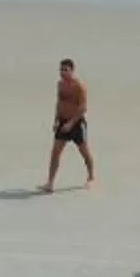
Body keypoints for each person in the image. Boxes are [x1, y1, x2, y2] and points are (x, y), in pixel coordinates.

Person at [43, 57, 95, 192]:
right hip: (63, 122)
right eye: (61, 70)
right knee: (55, 153)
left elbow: (83, 108)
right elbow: (59, 103)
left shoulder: (79, 87)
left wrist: (71, 124)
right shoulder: (60, 84)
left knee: (84, 152)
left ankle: (91, 177)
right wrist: (56, 120)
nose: (62, 72)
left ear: (72, 71)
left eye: (66, 70)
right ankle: (50, 183)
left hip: (76, 123)